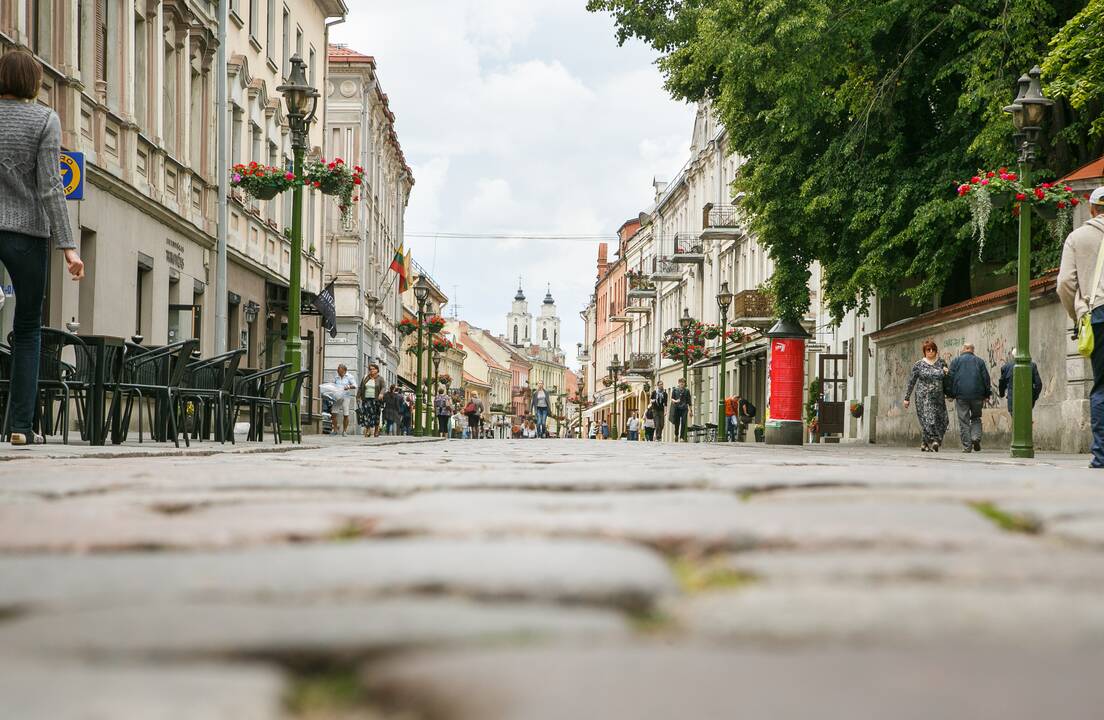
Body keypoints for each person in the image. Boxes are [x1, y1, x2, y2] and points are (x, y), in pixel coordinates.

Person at [0, 50, 85, 446]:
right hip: (27, 236)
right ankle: (19, 426)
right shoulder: (46, 120)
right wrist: (69, 246)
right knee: (28, 329)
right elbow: (52, 186)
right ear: (34, 82)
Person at [1057, 186, 1104, 467]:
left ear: (1091, 209)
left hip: (1097, 314)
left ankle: (1102, 455)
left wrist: (1077, 315)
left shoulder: (1078, 237)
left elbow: (1064, 283)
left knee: (1101, 386)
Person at [903, 340, 950, 452]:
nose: (931, 351)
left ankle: (924, 443)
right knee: (929, 418)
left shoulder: (941, 363)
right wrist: (906, 398)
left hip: (938, 396)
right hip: (923, 397)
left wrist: (949, 393)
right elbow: (911, 382)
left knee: (943, 419)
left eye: (933, 349)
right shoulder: (919, 365)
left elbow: (947, 380)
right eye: (928, 350)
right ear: (924, 351)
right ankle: (935, 440)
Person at [948, 342, 992, 453]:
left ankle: (967, 446)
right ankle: (975, 438)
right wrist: (987, 394)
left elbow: (950, 378)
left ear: (963, 349)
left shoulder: (956, 361)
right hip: (977, 395)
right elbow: (986, 379)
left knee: (964, 420)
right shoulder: (980, 362)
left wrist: (950, 394)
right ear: (972, 350)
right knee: (976, 418)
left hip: (961, 395)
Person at [997, 349, 1043, 415]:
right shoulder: (1032, 366)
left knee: (1015, 423)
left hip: (1013, 402)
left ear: (1013, 356)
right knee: (1026, 422)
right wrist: (1033, 397)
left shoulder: (1006, 367)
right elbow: (1038, 384)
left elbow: (1001, 383)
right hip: (1027, 402)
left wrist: (1002, 394)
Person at [329, 364, 357, 436]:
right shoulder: (336, 377)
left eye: (340, 371)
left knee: (346, 414)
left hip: (345, 396)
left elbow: (355, 385)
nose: (339, 373)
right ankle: (335, 430)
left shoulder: (349, 377)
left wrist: (348, 386)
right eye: (338, 371)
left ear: (345, 371)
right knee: (333, 413)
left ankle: (344, 431)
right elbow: (332, 385)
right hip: (337, 397)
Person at [357, 364, 385, 438]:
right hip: (366, 399)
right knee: (366, 415)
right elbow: (361, 387)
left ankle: (376, 430)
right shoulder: (366, 377)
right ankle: (368, 430)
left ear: (377, 370)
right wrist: (358, 397)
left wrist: (381, 394)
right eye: (370, 369)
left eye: (373, 369)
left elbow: (383, 387)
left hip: (376, 400)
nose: (371, 370)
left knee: (376, 415)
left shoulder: (380, 379)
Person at [669, 378, 692, 442]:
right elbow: (672, 399)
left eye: (683, 382)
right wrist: (675, 401)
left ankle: (682, 437)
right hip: (677, 408)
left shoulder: (687, 391)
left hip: (684, 408)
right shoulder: (675, 390)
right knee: (677, 423)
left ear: (684, 384)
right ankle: (676, 434)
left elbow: (689, 401)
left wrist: (690, 410)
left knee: (684, 422)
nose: (682, 383)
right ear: (678, 383)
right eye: (680, 382)